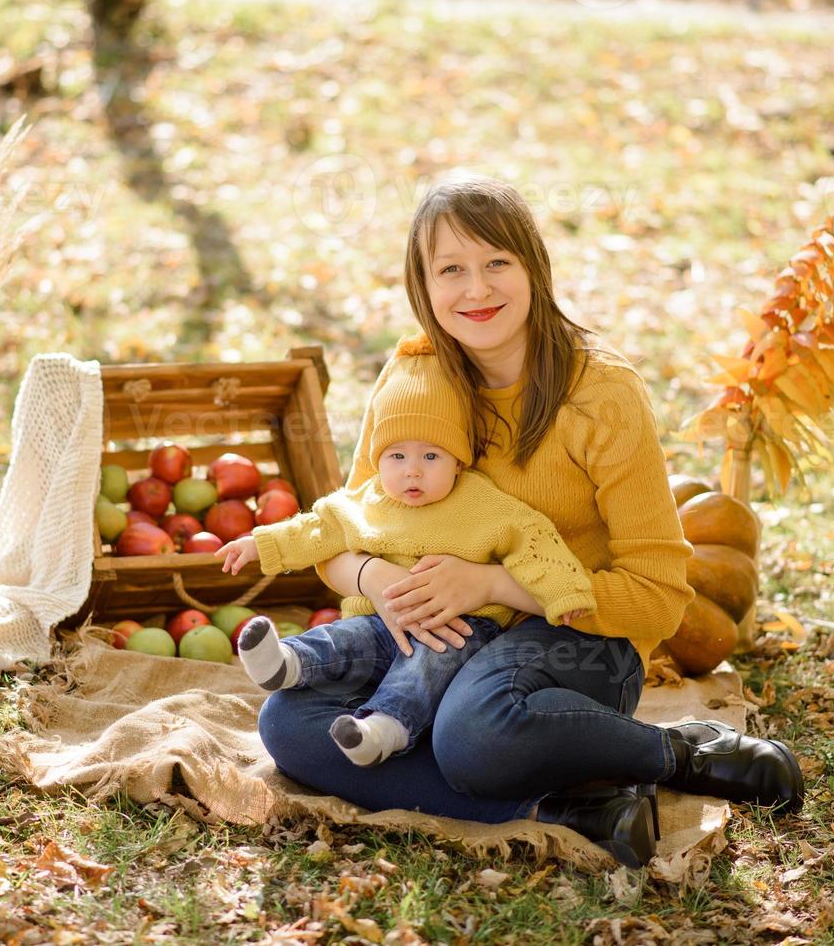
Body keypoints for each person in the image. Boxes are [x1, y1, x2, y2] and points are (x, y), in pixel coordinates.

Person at [257, 171, 803, 868]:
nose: (476, 290)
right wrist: (378, 576)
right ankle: (567, 807)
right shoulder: (412, 380)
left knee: (473, 735)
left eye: (496, 264)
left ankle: (676, 752)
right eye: (450, 269)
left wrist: (490, 583)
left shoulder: (601, 393)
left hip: (572, 641)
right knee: (290, 722)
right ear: (421, 285)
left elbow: (660, 596)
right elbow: (341, 532)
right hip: (431, 643)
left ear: (534, 269)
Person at [213, 351, 596, 769]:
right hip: (383, 619)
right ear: (379, 460)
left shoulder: (482, 501)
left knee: (428, 663)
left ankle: (386, 727)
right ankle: (288, 662)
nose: (413, 471)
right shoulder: (367, 499)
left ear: (458, 460)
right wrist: (259, 544)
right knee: (346, 638)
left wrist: (565, 592)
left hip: (458, 627)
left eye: (431, 457)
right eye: (397, 457)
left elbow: (534, 539)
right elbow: (317, 529)